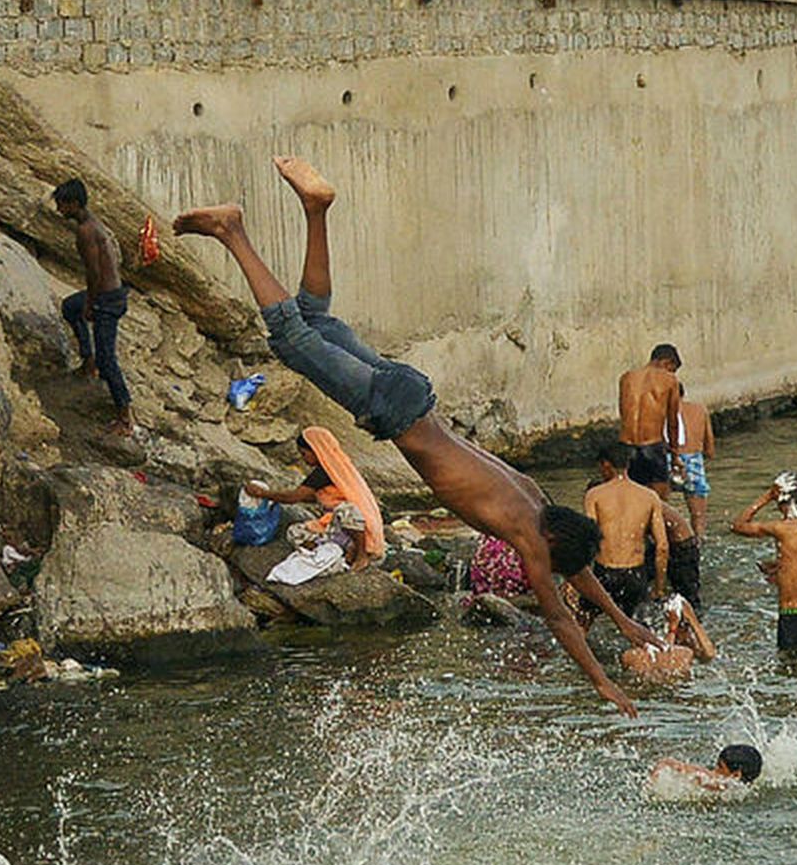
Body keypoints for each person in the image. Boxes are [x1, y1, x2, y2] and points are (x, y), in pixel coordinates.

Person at [172, 158, 661, 716]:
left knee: (314, 319)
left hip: (417, 393)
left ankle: (316, 208)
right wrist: (600, 681)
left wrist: (625, 624)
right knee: (288, 338)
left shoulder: (534, 499)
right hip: (394, 413)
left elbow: (578, 569)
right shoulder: (529, 539)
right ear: (549, 548)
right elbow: (557, 615)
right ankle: (232, 232)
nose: (547, 572)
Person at [54, 178, 135, 436]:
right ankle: (88, 362)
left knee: (107, 359)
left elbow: (94, 273)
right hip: (112, 293)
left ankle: (125, 416)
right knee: (69, 307)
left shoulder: (86, 231)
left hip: (106, 299)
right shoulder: (93, 223)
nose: (59, 211)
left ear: (74, 204)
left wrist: (91, 303)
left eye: (62, 205)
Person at [243, 426, 384, 572]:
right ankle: (343, 549)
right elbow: (312, 496)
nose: (303, 459)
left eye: (304, 454)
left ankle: (361, 555)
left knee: (347, 510)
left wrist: (262, 493)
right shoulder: (336, 468)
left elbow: (293, 497)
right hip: (339, 528)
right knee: (294, 532)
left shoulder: (325, 472)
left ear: (316, 450)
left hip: (354, 526)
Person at [732, 472, 797, 650]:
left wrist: (766, 497)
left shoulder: (780, 528)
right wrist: (784, 568)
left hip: (793, 615)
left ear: (778, 502)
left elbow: (738, 525)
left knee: (789, 669)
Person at [585, 445, 670, 616]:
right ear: (628, 464)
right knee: (638, 629)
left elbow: (588, 540)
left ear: (606, 465)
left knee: (582, 622)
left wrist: (578, 580)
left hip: (605, 572)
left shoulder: (594, 495)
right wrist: (659, 588)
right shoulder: (649, 496)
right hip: (635, 574)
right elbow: (662, 547)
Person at [618, 344, 682, 499]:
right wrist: (675, 454)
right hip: (652, 446)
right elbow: (673, 421)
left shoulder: (626, 377)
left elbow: (623, 412)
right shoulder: (669, 380)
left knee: (631, 499)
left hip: (626, 446)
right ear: (667, 363)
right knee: (659, 502)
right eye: (672, 368)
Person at [621, 593, 717, 679]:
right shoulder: (684, 655)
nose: (689, 631)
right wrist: (690, 619)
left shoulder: (629, 656)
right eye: (685, 626)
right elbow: (709, 654)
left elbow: (710, 654)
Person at [674, 384, 715, 538]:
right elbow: (710, 447)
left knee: (658, 506)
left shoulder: (659, 412)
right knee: (698, 516)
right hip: (693, 459)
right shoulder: (700, 410)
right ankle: (698, 544)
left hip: (668, 458)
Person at [649, 744, 763, 792]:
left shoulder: (717, 783)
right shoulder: (706, 778)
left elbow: (666, 762)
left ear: (736, 775)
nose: (715, 770)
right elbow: (666, 763)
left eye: (720, 767)